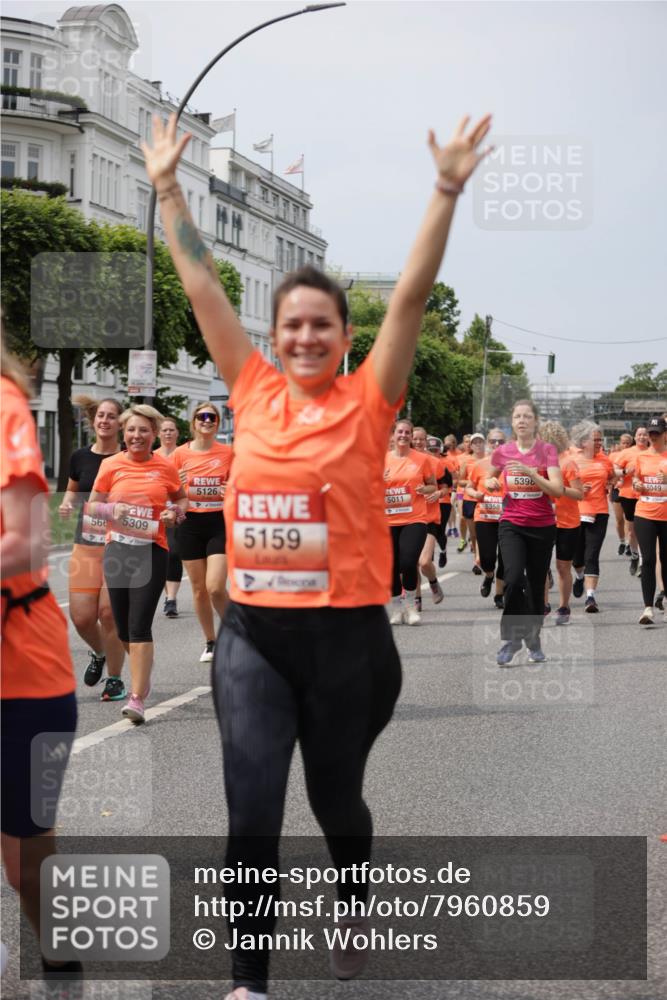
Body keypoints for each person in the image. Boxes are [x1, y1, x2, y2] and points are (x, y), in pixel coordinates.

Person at [143, 109, 492, 999]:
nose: (303, 338)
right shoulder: (249, 388)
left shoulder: (370, 401)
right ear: (275, 333)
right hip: (256, 639)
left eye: (320, 327)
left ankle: (351, 895)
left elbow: (409, 295)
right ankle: (248, 981)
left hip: (348, 646)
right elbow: (200, 287)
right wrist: (168, 187)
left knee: (337, 805)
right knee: (251, 810)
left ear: (342, 337)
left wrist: (445, 189)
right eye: (289, 325)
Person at [1, 336, 82, 992]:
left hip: (24, 677)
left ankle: (56, 950)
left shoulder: (5, 409)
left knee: (25, 863)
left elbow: (26, 542)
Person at [88, 404, 187, 723]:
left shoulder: (165, 467)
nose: (137, 435)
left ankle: (137, 696)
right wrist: (109, 512)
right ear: (123, 433)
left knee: (139, 625)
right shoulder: (111, 465)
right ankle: (142, 670)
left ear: (154, 434)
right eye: (131, 429)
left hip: (153, 551)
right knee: (121, 623)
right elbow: (91, 507)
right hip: (117, 550)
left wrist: (176, 514)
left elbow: (180, 498)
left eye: (144, 430)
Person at [58, 395, 126, 700]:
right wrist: (67, 503)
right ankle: (99, 652)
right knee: (82, 617)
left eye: (112, 416)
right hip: (86, 545)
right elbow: (73, 488)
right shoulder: (80, 457)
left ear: (120, 423)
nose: (105, 421)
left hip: (120, 546)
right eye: (101, 415)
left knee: (108, 613)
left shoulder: (129, 457)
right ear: (93, 420)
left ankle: (115, 678)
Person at [486, 399, 562, 665]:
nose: (522, 420)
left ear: (535, 421)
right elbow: (488, 476)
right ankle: (511, 639)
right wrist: (490, 482)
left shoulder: (547, 451)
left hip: (542, 526)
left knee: (535, 585)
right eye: (517, 416)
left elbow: (558, 489)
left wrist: (532, 474)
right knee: (514, 577)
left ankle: (533, 639)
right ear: (512, 421)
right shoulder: (503, 452)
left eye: (527, 416)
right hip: (512, 524)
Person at [172, 402, 233, 661]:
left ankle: (238, 634)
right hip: (190, 525)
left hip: (219, 522)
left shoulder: (229, 453)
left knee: (216, 587)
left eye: (212, 417)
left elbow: (241, 484)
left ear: (218, 423)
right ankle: (211, 641)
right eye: (201, 416)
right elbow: (168, 490)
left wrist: (231, 490)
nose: (207, 421)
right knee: (198, 590)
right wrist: (178, 486)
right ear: (193, 422)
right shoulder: (179, 454)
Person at [385, 419, 437, 623]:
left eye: (407, 432)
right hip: (388, 520)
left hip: (414, 518)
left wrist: (426, 490)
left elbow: (433, 485)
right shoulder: (382, 459)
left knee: (408, 562)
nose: (404, 435)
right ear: (394, 434)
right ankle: (397, 607)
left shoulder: (421, 459)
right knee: (391, 566)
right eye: (400, 432)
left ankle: (410, 607)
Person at [539, 421, 584, 625]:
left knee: (562, 566)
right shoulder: (538, 463)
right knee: (539, 566)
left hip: (568, 522)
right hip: (543, 521)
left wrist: (560, 489)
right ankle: (544, 605)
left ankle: (564, 607)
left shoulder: (568, 462)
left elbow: (579, 494)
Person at [570, 421, 615, 613]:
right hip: (576, 512)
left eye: (600, 439)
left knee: (592, 555)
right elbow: (562, 481)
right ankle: (579, 576)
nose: (598, 443)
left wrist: (609, 484)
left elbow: (612, 476)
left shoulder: (605, 460)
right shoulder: (572, 459)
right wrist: (577, 489)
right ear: (584, 441)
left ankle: (590, 597)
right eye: (595, 439)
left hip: (599, 512)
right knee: (576, 557)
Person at [632, 416, 667, 625]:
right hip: (645, 512)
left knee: (666, 559)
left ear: (665, 434)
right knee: (649, 560)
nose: (653, 437)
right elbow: (637, 479)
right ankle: (647, 608)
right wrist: (636, 484)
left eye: (657, 433)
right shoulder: (641, 457)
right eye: (650, 433)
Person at [465, 428, 506, 606]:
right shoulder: (479, 464)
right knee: (487, 559)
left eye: (501, 441)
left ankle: (499, 595)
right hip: (484, 517)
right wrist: (475, 494)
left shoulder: (513, 464)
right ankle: (489, 575)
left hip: (508, 519)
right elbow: (468, 487)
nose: (497, 445)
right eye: (493, 441)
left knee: (505, 559)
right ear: (488, 443)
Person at [156, 416, 183, 617]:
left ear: (177, 433)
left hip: (175, 509)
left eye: (171, 430)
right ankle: (167, 595)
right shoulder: (151, 456)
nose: (167, 433)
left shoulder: (183, 455)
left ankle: (171, 599)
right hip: (154, 510)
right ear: (158, 433)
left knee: (173, 552)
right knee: (161, 555)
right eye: (164, 430)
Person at [614, 426, 649, 576]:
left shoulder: (652, 452)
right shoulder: (626, 453)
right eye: (639, 434)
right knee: (632, 531)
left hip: (647, 495)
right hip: (628, 495)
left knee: (645, 530)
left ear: (649, 437)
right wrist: (624, 472)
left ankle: (642, 562)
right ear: (635, 437)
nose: (642, 437)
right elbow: (613, 470)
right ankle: (635, 555)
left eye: (645, 434)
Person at [609, 432, 633, 554]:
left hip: (630, 491)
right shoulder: (613, 455)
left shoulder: (634, 454)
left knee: (629, 519)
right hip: (616, 490)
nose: (626, 445)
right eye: (623, 443)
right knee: (619, 519)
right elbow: (610, 474)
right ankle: (622, 541)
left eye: (628, 443)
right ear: (620, 443)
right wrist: (610, 489)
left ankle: (630, 543)